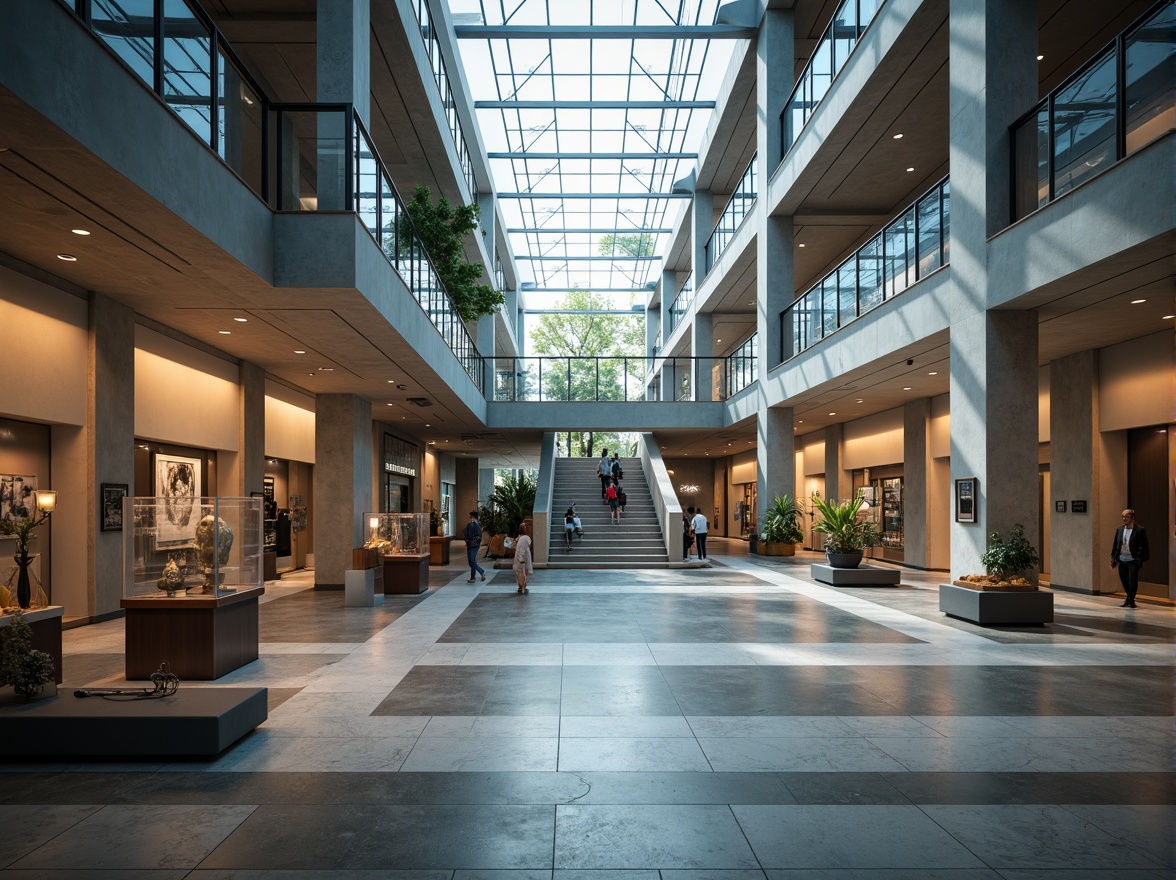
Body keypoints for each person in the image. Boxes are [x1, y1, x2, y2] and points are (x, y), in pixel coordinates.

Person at [1110, 508, 1149, 609]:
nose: (1124, 519)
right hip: (1122, 559)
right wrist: (1113, 557)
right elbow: (1115, 545)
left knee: (1133, 580)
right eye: (1122, 517)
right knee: (1124, 580)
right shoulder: (1119, 529)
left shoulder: (1140, 530)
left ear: (1132, 518)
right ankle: (1129, 597)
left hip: (1133, 560)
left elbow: (1145, 545)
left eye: (1126, 517)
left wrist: (1140, 558)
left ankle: (1130, 600)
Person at [463, 511, 486, 583]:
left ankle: (481, 571)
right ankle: (472, 577)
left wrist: (467, 540)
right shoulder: (479, 524)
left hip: (471, 544)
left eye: (470, 516)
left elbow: (468, 535)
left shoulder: (471, 524)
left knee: (471, 561)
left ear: (472, 517)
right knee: (472, 561)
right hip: (476, 544)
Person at [513, 521, 533, 594]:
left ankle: (521, 587)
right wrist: (521, 559)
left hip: (521, 558)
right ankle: (522, 587)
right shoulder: (525, 538)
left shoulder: (520, 538)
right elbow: (521, 550)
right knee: (522, 573)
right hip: (522, 558)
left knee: (520, 573)